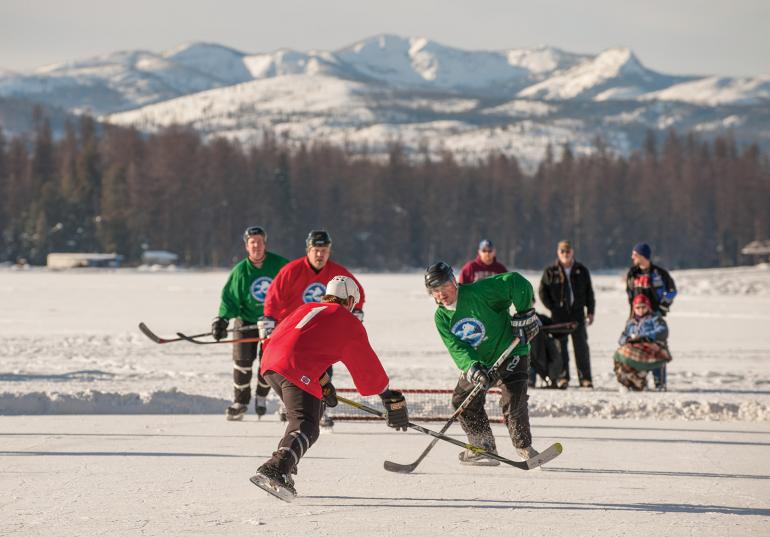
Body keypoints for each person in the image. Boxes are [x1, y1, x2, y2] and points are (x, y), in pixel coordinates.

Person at [252, 276, 408, 500]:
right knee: (305, 425)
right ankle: (277, 468)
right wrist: (388, 397)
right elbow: (366, 367)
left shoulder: (307, 307)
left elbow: (300, 343)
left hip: (270, 365)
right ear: (351, 299)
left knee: (308, 416)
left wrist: (323, 383)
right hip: (295, 368)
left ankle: (285, 465)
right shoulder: (346, 319)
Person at [424, 261, 542, 465]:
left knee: (513, 400)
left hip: (511, 352)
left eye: (444, 286)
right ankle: (483, 447)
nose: (441, 294)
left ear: (454, 281)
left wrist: (525, 313)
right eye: (435, 290)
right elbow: (457, 348)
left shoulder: (481, 291)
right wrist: (472, 367)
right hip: (482, 363)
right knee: (462, 400)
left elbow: (516, 281)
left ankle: (524, 447)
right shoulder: (441, 317)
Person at [263, 229, 366, 427]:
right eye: (316, 250)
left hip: (322, 332)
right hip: (294, 331)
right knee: (288, 367)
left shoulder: (338, 274)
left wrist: (357, 310)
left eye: (324, 250)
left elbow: (358, 291)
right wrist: (269, 319)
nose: (320, 254)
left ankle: (320, 408)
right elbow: (273, 297)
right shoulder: (291, 270)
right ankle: (289, 405)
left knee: (324, 367)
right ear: (308, 250)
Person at [211, 226, 289, 421]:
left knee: (268, 364)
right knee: (242, 363)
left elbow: (293, 288)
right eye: (252, 242)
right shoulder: (240, 271)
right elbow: (229, 299)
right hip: (246, 321)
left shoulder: (280, 265)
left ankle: (261, 397)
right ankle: (241, 402)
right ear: (246, 246)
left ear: (265, 243)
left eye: (259, 242)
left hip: (273, 323)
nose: (256, 246)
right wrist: (221, 319)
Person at [538, 240, 596, 388]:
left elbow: (589, 292)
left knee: (581, 347)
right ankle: (564, 377)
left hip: (577, 314)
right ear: (558, 253)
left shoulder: (581, 270)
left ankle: (585, 378)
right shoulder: (550, 271)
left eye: (568, 251)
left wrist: (590, 311)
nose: (565, 254)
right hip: (559, 316)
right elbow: (542, 292)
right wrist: (553, 307)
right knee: (560, 347)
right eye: (562, 251)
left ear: (572, 252)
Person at [626, 242, 677, 390]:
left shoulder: (659, 273)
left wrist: (662, 307)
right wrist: (631, 315)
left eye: (634, 254)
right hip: (636, 317)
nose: (632, 257)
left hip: (654, 317)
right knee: (635, 348)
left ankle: (660, 383)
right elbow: (630, 295)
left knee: (657, 348)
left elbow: (672, 291)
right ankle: (639, 381)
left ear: (642, 256)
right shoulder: (632, 273)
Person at [613, 294, 671, 391]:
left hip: (652, 350)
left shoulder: (655, 319)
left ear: (648, 307)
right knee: (620, 355)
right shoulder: (631, 322)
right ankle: (634, 383)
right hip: (636, 352)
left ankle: (659, 383)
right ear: (634, 308)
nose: (640, 310)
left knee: (657, 356)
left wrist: (646, 336)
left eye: (643, 307)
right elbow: (622, 338)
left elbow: (663, 331)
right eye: (637, 307)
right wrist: (627, 339)